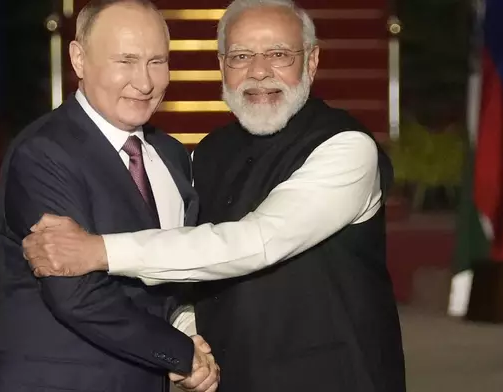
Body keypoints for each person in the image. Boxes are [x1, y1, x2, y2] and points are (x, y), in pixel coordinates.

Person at [24, 0, 406, 391]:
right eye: (241, 56)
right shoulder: (204, 154)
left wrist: (99, 250)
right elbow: (184, 262)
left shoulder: (347, 148)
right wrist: (187, 335)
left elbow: (257, 241)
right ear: (223, 66)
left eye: (278, 54)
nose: (259, 71)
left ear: (310, 61)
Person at [0, 1, 219, 391]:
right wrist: (180, 353)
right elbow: (75, 293)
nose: (145, 81)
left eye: (157, 61)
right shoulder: (44, 151)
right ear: (79, 59)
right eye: (126, 61)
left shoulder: (171, 155)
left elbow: (169, 270)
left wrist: (185, 325)